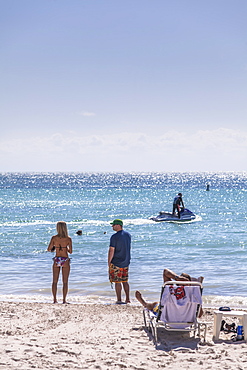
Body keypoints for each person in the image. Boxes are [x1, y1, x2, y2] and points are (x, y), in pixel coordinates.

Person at [135, 268, 203, 317]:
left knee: (155, 304)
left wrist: (177, 278)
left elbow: (165, 271)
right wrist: (198, 294)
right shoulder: (193, 295)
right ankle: (146, 303)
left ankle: (144, 303)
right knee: (159, 303)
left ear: (177, 283)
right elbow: (199, 315)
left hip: (168, 318)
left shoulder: (171, 291)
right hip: (187, 321)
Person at [47, 221, 72, 304]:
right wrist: (65, 248)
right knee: (65, 282)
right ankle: (64, 300)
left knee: (55, 281)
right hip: (65, 259)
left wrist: (56, 246)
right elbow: (71, 251)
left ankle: (55, 300)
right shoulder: (68, 239)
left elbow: (49, 249)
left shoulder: (54, 238)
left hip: (57, 259)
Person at [108, 219, 131, 304]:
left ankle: (119, 299)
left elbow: (111, 250)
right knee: (125, 281)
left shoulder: (114, 237)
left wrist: (109, 262)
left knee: (117, 281)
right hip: (126, 261)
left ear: (118, 225)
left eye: (113, 225)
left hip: (116, 262)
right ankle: (128, 299)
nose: (112, 226)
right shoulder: (128, 235)